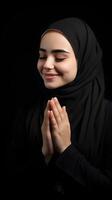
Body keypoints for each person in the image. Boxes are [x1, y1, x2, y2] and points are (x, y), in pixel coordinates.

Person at [5, 17, 112, 198]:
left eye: (60, 57)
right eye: (42, 56)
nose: (46, 65)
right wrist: (44, 155)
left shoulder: (108, 116)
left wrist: (66, 151)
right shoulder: (27, 114)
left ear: (84, 59)